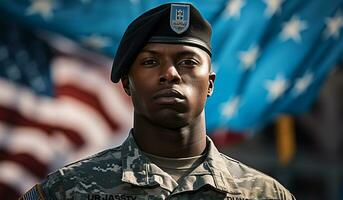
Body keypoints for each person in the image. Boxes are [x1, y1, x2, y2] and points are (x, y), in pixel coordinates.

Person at [20, 3, 295, 200]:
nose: (170, 74)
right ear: (127, 82)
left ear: (210, 83)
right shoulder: (65, 191)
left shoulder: (266, 194)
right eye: (151, 62)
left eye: (188, 62)